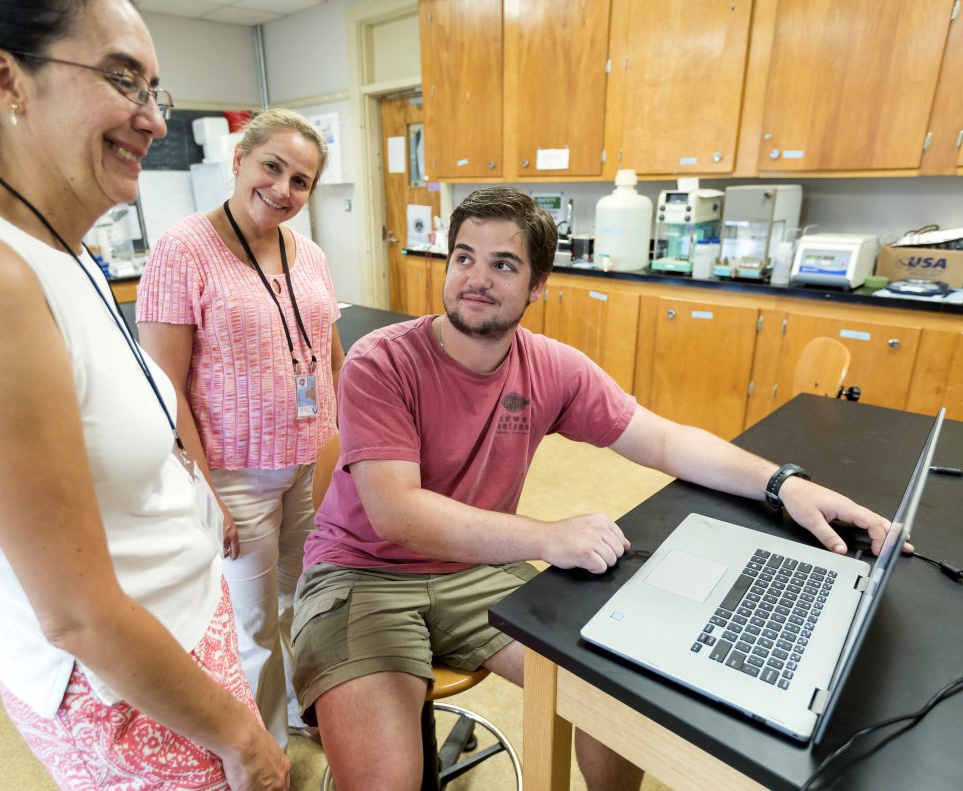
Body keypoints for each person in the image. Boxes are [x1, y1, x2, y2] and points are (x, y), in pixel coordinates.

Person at [290, 186, 895, 791]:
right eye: (464, 257)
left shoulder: (551, 366)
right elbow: (396, 514)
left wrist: (781, 483)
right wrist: (551, 537)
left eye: (503, 264)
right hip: (360, 574)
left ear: (537, 285)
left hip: (470, 566)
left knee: (615, 694)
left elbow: (663, 441)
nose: (476, 278)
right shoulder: (381, 361)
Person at [0, 1, 288, 788]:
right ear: (6, 81)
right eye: (124, 79)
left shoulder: (64, 251)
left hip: (181, 637)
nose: (154, 121)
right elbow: (78, 615)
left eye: (154, 91)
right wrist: (243, 737)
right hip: (130, 694)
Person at [137, 106, 344, 746]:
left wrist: (356, 440)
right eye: (272, 168)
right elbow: (164, 385)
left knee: (306, 599)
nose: (283, 190)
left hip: (311, 461)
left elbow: (330, 351)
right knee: (253, 623)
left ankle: (305, 711)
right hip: (236, 474)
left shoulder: (307, 252)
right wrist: (206, 490)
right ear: (240, 160)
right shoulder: (182, 249)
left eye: (301, 181)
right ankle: (269, 752)